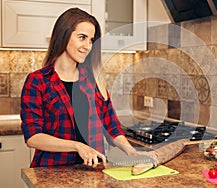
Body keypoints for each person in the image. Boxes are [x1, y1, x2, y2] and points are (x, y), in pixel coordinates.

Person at [20, 7, 138, 168]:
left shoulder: (94, 81)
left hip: (93, 171)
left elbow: (112, 127)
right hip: (52, 171)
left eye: (91, 40)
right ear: (64, 35)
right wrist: (77, 146)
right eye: (82, 37)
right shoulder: (38, 81)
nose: (87, 46)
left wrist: (133, 153)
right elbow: (33, 137)